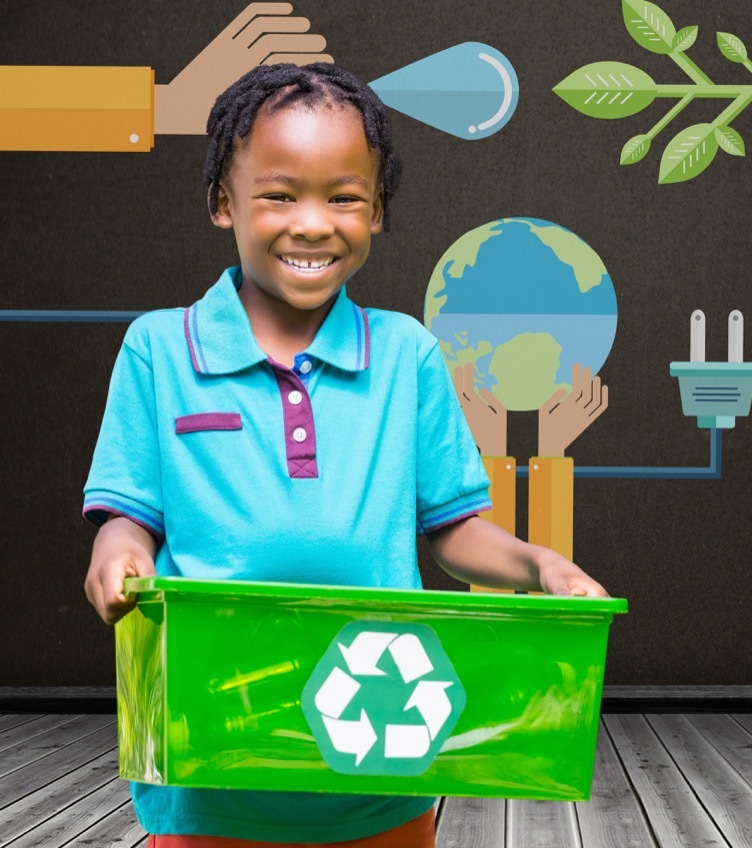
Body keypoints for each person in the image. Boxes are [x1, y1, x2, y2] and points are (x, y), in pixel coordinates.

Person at [82, 62, 608, 847]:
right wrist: (116, 553)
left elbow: (455, 529)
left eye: (343, 198)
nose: (313, 223)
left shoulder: (408, 355)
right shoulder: (161, 349)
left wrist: (539, 567)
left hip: (382, 760)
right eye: (279, 194)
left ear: (379, 210)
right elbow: (130, 517)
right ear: (224, 202)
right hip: (212, 755)